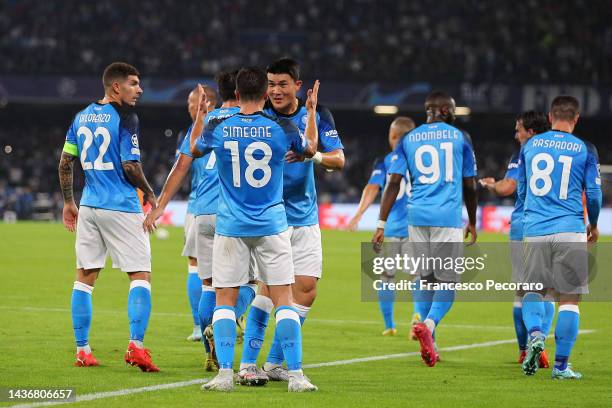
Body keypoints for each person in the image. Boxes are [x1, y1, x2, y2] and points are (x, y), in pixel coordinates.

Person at [189, 67, 320, 392]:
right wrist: (313, 113)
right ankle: (297, 376)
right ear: (264, 94)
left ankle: (223, 376)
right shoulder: (281, 128)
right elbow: (310, 148)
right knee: (284, 300)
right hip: (272, 225)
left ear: (236, 91)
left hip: (231, 226)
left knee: (225, 300)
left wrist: (201, 116)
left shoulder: (220, 127)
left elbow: (193, 149)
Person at [238, 58, 345, 383]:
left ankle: (274, 363)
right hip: (271, 218)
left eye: (282, 84)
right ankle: (246, 364)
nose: (275, 90)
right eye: (271, 84)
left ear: (297, 85)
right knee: (270, 290)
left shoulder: (317, 114)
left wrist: (311, 153)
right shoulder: (261, 117)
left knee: (307, 289)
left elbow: (338, 160)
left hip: (306, 217)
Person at [59, 62, 159, 372]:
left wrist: (68, 202)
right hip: (121, 206)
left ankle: (82, 350)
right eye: (133, 83)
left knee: (85, 279)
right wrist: (151, 192)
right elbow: (130, 166)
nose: (139, 89)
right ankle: (136, 347)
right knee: (140, 275)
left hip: (89, 206)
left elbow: (65, 163)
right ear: (116, 87)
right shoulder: (126, 117)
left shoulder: (81, 117)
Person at [372, 91, 478, 367]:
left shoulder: (409, 139)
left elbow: (393, 182)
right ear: (443, 109)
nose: (455, 114)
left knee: (426, 278)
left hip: (416, 218)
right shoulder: (460, 137)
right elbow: (470, 184)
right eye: (453, 109)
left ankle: (432, 341)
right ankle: (428, 325)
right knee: (448, 282)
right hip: (446, 217)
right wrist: (474, 221)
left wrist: (380, 223)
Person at [517, 96, 601, 379]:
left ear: (550, 117)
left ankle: (537, 334)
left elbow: (522, 188)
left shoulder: (530, 145)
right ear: (576, 119)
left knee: (533, 292)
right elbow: (593, 193)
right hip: (570, 228)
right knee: (569, 298)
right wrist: (594, 223)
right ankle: (561, 367)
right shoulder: (585, 149)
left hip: (535, 228)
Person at [479, 111, 552, 367]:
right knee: (549, 292)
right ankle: (540, 340)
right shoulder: (566, 151)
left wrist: (490, 185)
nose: (516, 134)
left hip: (524, 226)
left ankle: (525, 349)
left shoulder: (525, 152)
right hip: (557, 226)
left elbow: (508, 187)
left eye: (519, 129)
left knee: (522, 292)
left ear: (531, 132)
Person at [347, 117, 416, 336]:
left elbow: (372, 187)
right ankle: (419, 318)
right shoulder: (421, 159)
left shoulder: (386, 161)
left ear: (393, 135)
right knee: (420, 277)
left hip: (393, 227)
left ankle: (389, 326)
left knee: (387, 277)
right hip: (419, 228)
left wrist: (358, 214)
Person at [177, 85, 217, 342]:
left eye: (193, 104)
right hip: (229, 208)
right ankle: (230, 317)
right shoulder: (230, 124)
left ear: (207, 102)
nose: (190, 109)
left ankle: (199, 326)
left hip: (199, 207)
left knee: (197, 267)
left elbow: (181, 168)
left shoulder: (196, 132)